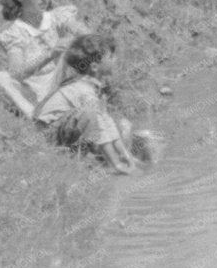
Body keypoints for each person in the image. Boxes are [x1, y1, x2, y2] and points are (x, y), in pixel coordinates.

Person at [35, 34, 140, 175]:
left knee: (105, 119)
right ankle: (114, 164)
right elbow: (98, 126)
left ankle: (114, 160)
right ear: (95, 66)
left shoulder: (92, 86)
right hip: (49, 136)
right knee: (91, 115)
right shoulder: (82, 89)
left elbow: (107, 123)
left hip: (65, 130)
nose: (115, 60)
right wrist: (117, 163)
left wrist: (127, 156)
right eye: (110, 57)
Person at [0, 0, 89, 112]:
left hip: (63, 86)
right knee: (0, 78)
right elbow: (16, 73)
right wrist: (49, 55)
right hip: (33, 95)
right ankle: (35, 117)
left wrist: (78, 35)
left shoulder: (58, 17)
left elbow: (81, 32)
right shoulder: (15, 33)